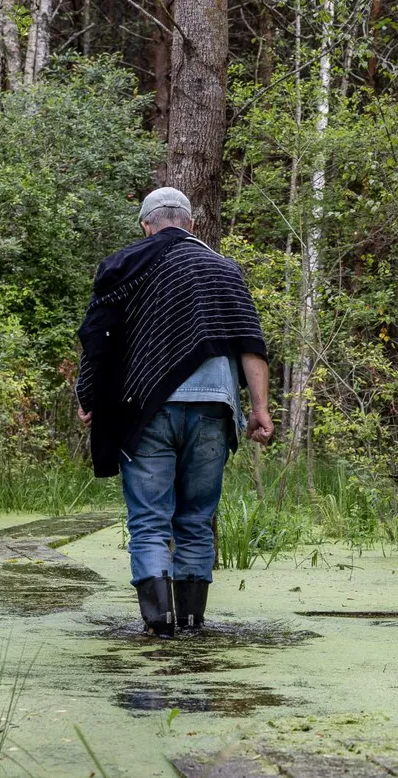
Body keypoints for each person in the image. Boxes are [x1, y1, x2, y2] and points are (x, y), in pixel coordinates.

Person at [75, 187, 274, 637]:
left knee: (149, 521)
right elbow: (251, 344)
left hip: (145, 411)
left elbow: (97, 339)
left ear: (146, 225)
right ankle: (192, 624)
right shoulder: (224, 269)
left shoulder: (124, 266)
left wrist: (89, 397)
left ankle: (159, 627)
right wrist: (259, 409)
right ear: (191, 224)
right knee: (196, 520)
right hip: (214, 409)